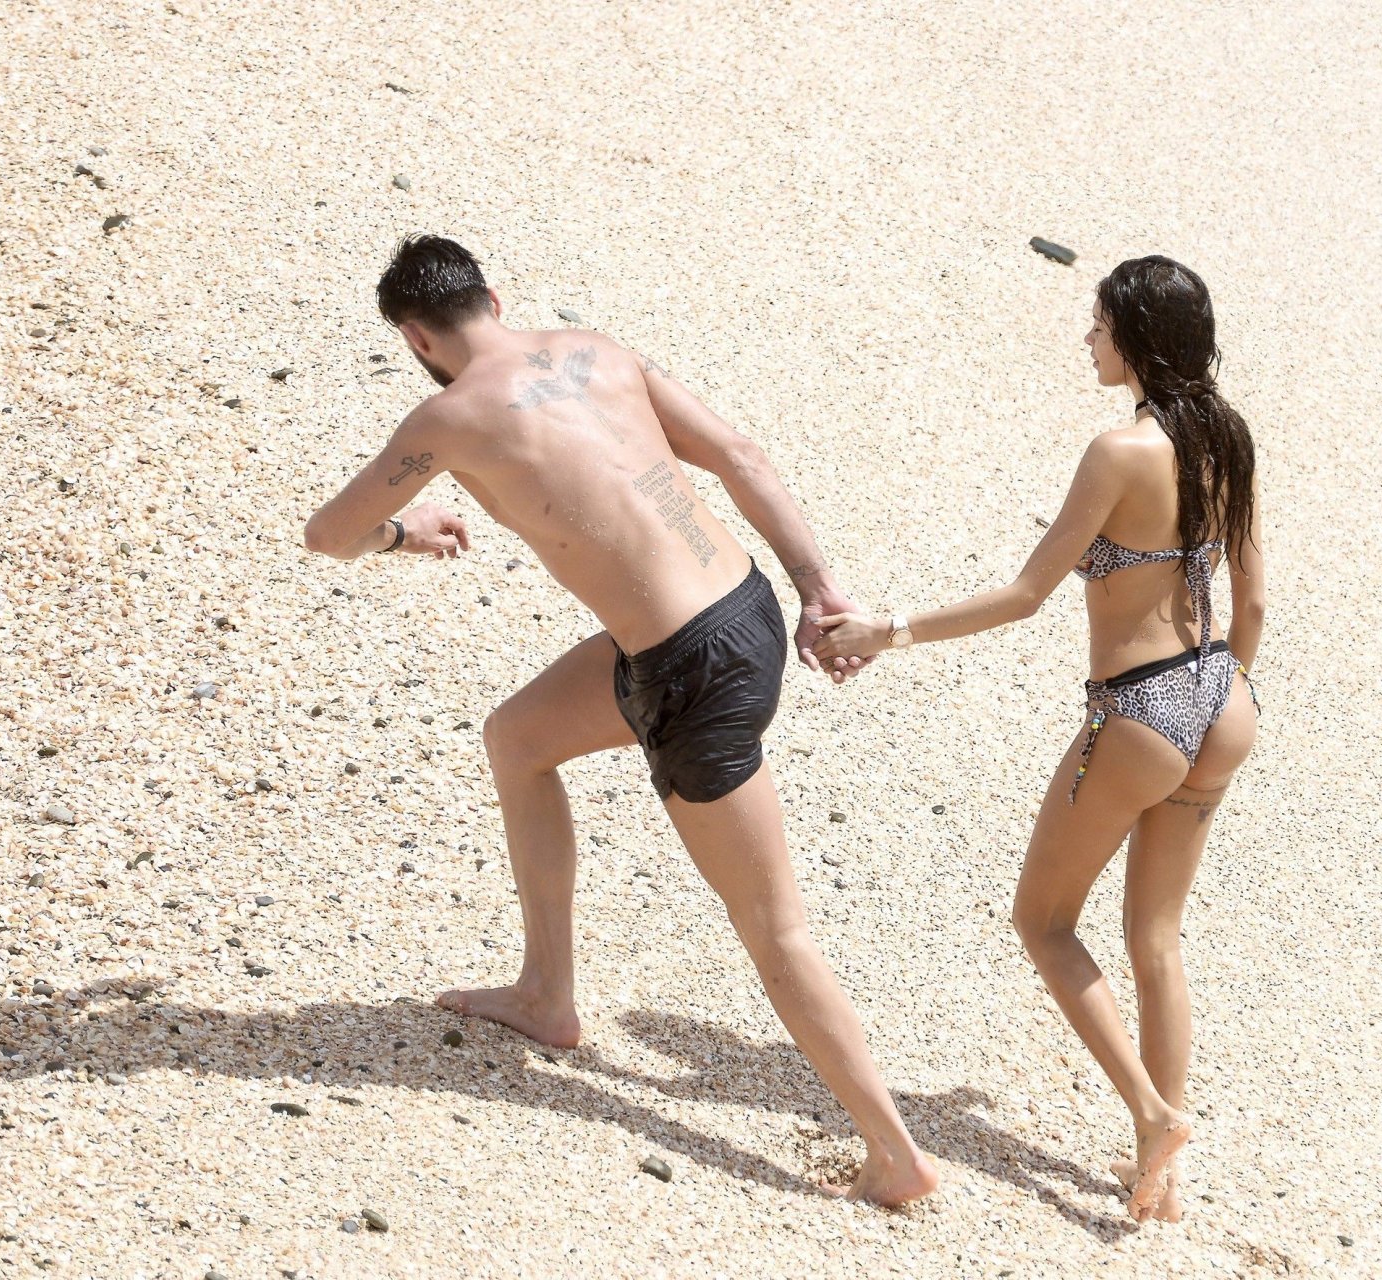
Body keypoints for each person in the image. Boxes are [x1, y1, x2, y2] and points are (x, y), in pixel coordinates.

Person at [303, 235, 937, 1206]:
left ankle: (895, 1153)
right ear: (494, 299)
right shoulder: (597, 351)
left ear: (416, 337)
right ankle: (545, 994)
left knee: (775, 928)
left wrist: (403, 531)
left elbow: (328, 534)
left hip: (691, 675)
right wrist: (818, 588)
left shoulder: (447, 417)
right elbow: (741, 455)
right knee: (519, 738)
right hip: (746, 611)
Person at [812, 256, 1263, 1222]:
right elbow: (1252, 603)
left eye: (1099, 323)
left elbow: (1025, 596)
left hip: (1139, 707)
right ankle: (1159, 1176)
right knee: (1156, 936)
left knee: (1044, 922)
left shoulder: (1119, 451)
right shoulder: (1228, 441)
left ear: (1135, 335)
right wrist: (1221, 690)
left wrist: (887, 632)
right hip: (1223, 701)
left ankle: (1154, 1116)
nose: (1087, 338)